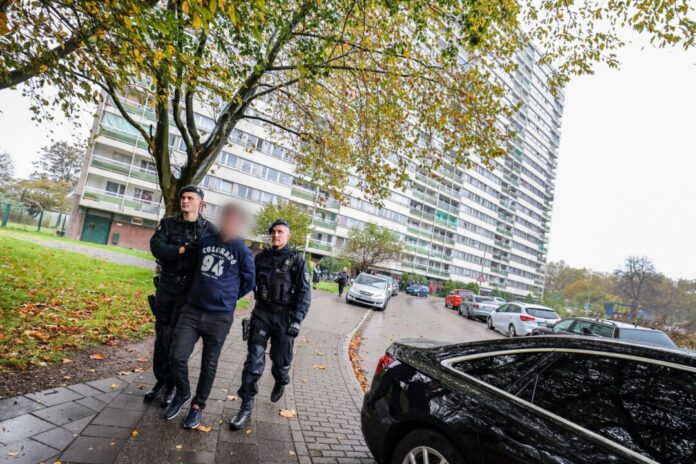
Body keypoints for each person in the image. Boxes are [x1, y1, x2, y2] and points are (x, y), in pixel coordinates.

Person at [164, 203, 255, 428]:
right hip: (192, 310)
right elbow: (193, 268)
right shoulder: (206, 241)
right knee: (177, 356)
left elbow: (249, 282)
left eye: (235, 220)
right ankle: (183, 392)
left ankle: (198, 406)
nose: (229, 223)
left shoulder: (242, 251)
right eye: (227, 218)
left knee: (209, 363)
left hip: (220, 317)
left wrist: (228, 297)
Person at [229, 219, 312, 430]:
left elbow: (304, 293)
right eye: (273, 232)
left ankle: (281, 379)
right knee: (253, 362)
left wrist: (297, 319)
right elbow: (246, 279)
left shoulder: (297, 261)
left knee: (280, 360)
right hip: (262, 314)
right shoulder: (262, 258)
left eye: (280, 232)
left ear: (288, 236)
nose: (276, 235)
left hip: (285, 318)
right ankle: (246, 406)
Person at [146, 186, 216, 407]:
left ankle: (172, 386)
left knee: (178, 341)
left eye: (190, 198)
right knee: (162, 336)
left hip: (190, 292)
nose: (185, 201)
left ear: (200, 204)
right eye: (183, 198)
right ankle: (161, 381)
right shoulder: (167, 224)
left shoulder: (209, 231)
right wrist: (182, 251)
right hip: (167, 287)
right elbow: (157, 248)